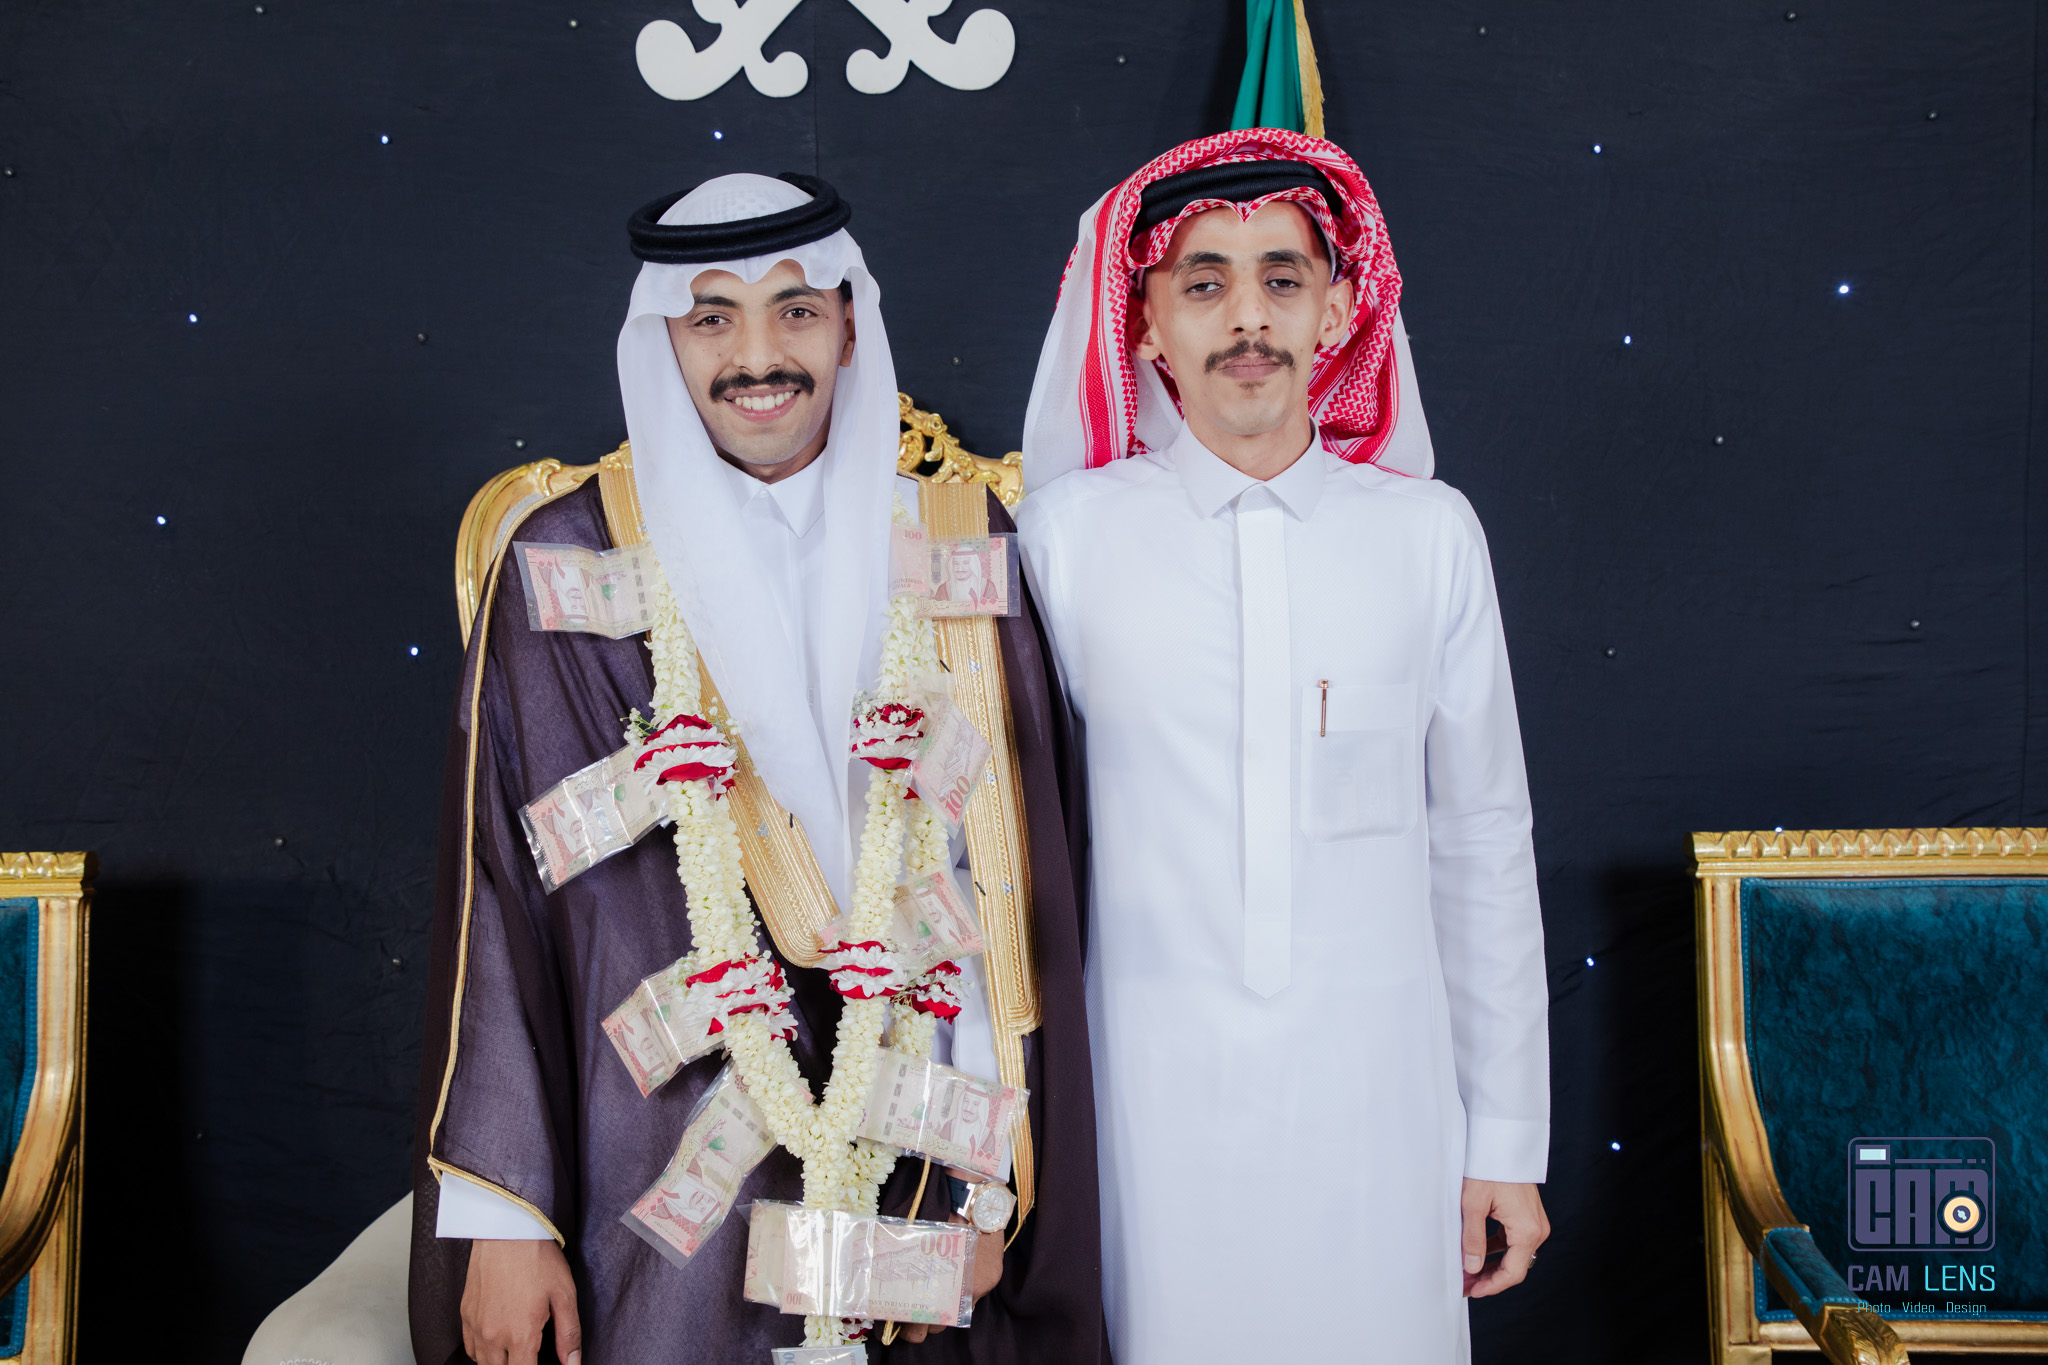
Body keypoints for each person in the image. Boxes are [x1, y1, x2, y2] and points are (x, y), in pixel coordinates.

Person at [409, 172, 1105, 1365]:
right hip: (654, 1159)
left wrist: (987, 1189)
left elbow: (1007, 882)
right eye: (712, 319)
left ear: (848, 328)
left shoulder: (955, 543)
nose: (756, 357)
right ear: (663, 340)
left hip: (919, 1131)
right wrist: (505, 1220)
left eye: (794, 310)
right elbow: (497, 899)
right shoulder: (567, 564)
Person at [1016, 129, 1552, 1363]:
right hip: (1145, 1107)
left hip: (1384, 1109)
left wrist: (1504, 1141)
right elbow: (999, 843)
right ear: (1147, 324)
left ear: (1339, 309)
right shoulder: (1061, 540)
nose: (1246, 318)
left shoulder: (1428, 536)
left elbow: (1481, 843)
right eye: (1202, 282)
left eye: (1281, 278)